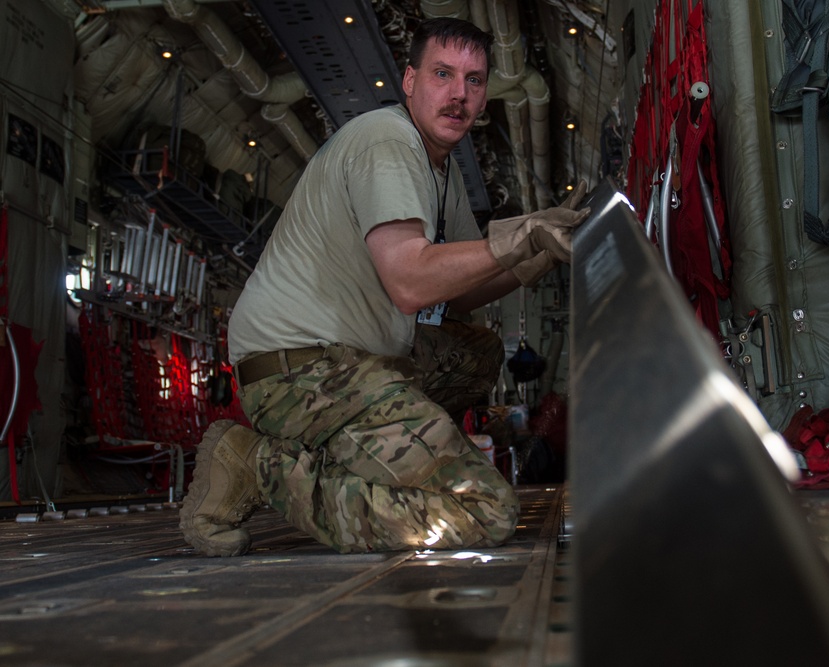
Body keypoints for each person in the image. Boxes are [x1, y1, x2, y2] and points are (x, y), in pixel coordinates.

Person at [179, 17, 589, 557]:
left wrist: (539, 248)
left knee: (477, 351)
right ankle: (261, 467)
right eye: (442, 74)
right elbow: (411, 283)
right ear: (410, 80)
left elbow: (459, 292)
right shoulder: (387, 143)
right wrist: (517, 237)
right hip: (302, 371)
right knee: (486, 510)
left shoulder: (441, 169)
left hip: (351, 361)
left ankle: (361, 450)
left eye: (474, 80)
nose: (458, 95)